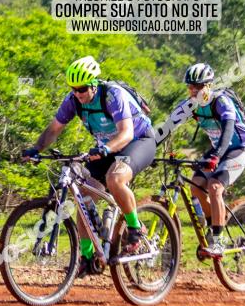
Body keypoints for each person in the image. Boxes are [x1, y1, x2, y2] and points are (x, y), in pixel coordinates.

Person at [22, 56, 157, 276]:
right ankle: (87, 257)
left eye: (82, 89)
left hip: (138, 141)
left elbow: (126, 133)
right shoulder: (73, 100)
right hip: (108, 147)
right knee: (83, 195)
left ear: (94, 84)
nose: (78, 93)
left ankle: (135, 228)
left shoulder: (113, 95)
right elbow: (54, 129)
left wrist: (105, 149)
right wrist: (36, 148)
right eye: (74, 89)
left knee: (116, 178)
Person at [175, 63, 245, 257]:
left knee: (215, 186)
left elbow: (228, 130)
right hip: (218, 149)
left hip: (240, 147)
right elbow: (170, 124)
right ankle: (214, 228)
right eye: (191, 87)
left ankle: (219, 243)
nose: (193, 91)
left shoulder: (221, 102)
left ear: (209, 86)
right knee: (195, 186)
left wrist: (216, 156)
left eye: (198, 86)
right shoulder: (191, 104)